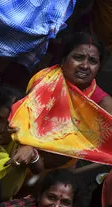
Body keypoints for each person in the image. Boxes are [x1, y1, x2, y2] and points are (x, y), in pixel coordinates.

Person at [9, 33, 112, 168]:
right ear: (63, 60)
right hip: (16, 152)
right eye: (78, 58)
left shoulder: (103, 103)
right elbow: (23, 119)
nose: (85, 66)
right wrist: (29, 147)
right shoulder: (45, 80)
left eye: (93, 61)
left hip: (57, 171)